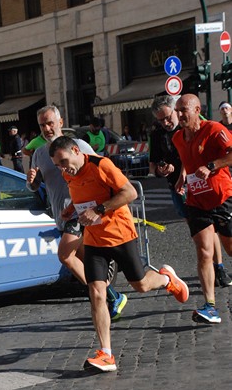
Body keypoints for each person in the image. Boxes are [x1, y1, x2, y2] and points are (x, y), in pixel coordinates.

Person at [49, 136, 189, 372]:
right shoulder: (68, 173)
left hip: (119, 234)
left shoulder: (101, 165)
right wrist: (72, 208)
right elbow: (82, 194)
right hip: (94, 238)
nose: (63, 169)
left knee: (141, 284)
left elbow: (130, 193)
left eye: (64, 161)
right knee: (96, 292)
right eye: (58, 166)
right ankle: (106, 353)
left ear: (75, 150)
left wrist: (99, 209)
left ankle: (167, 279)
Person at [26, 105, 127, 321]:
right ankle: (112, 296)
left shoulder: (79, 145)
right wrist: (32, 182)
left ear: (60, 122)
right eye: (42, 125)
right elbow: (35, 186)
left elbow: (99, 171)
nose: (47, 128)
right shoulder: (39, 153)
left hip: (81, 211)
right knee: (84, 261)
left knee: (65, 255)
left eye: (50, 123)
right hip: (61, 213)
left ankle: (101, 296)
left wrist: (101, 206)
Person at [151, 94, 232, 288]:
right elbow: (154, 164)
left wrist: (192, 170)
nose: (167, 122)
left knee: (221, 236)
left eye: (169, 116)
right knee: (202, 234)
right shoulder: (159, 135)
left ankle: (218, 265)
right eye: (161, 120)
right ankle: (211, 293)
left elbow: (194, 157)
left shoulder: (192, 126)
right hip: (183, 191)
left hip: (212, 188)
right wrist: (166, 172)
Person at [173, 94, 232, 324]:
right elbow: (187, 159)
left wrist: (212, 166)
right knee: (204, 251)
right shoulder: (178, 137)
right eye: (177, 110)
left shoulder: (215, 129)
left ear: (197, 109)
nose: (179, 115)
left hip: (222, 198)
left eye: (183, 110)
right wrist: (182, 176)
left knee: (229, 248)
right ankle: (211, 306)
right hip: (196, 201)